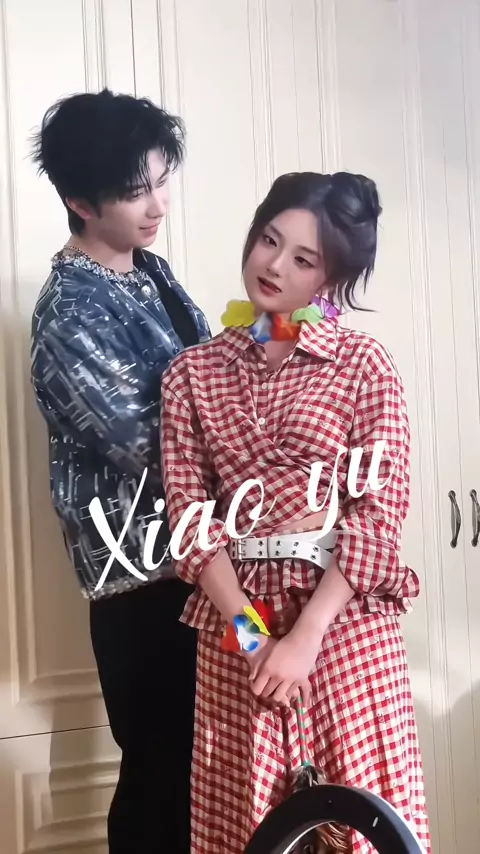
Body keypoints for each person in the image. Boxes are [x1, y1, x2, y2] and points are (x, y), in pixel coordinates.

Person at [160, 171, 431, 854]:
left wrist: (305, 637)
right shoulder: (192, 373)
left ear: (330, 276)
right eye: (269, 239)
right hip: (237, 627)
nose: (275, 265)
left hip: (344, 624)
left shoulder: (364, 365)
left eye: (303, 258)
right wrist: (255, 640)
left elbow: (379, 514)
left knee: (361, 821)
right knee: (247, 827)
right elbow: (190, 519)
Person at [29, 89, 210, 854]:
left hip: (213, 574)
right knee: (163, 781)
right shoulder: (70, 310)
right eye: (137, 191)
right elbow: (152, 449)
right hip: (144, 593)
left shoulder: (153, 272)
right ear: (80, 201)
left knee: (218, 769)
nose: (158, 205)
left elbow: (211, 378)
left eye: (162, 181)